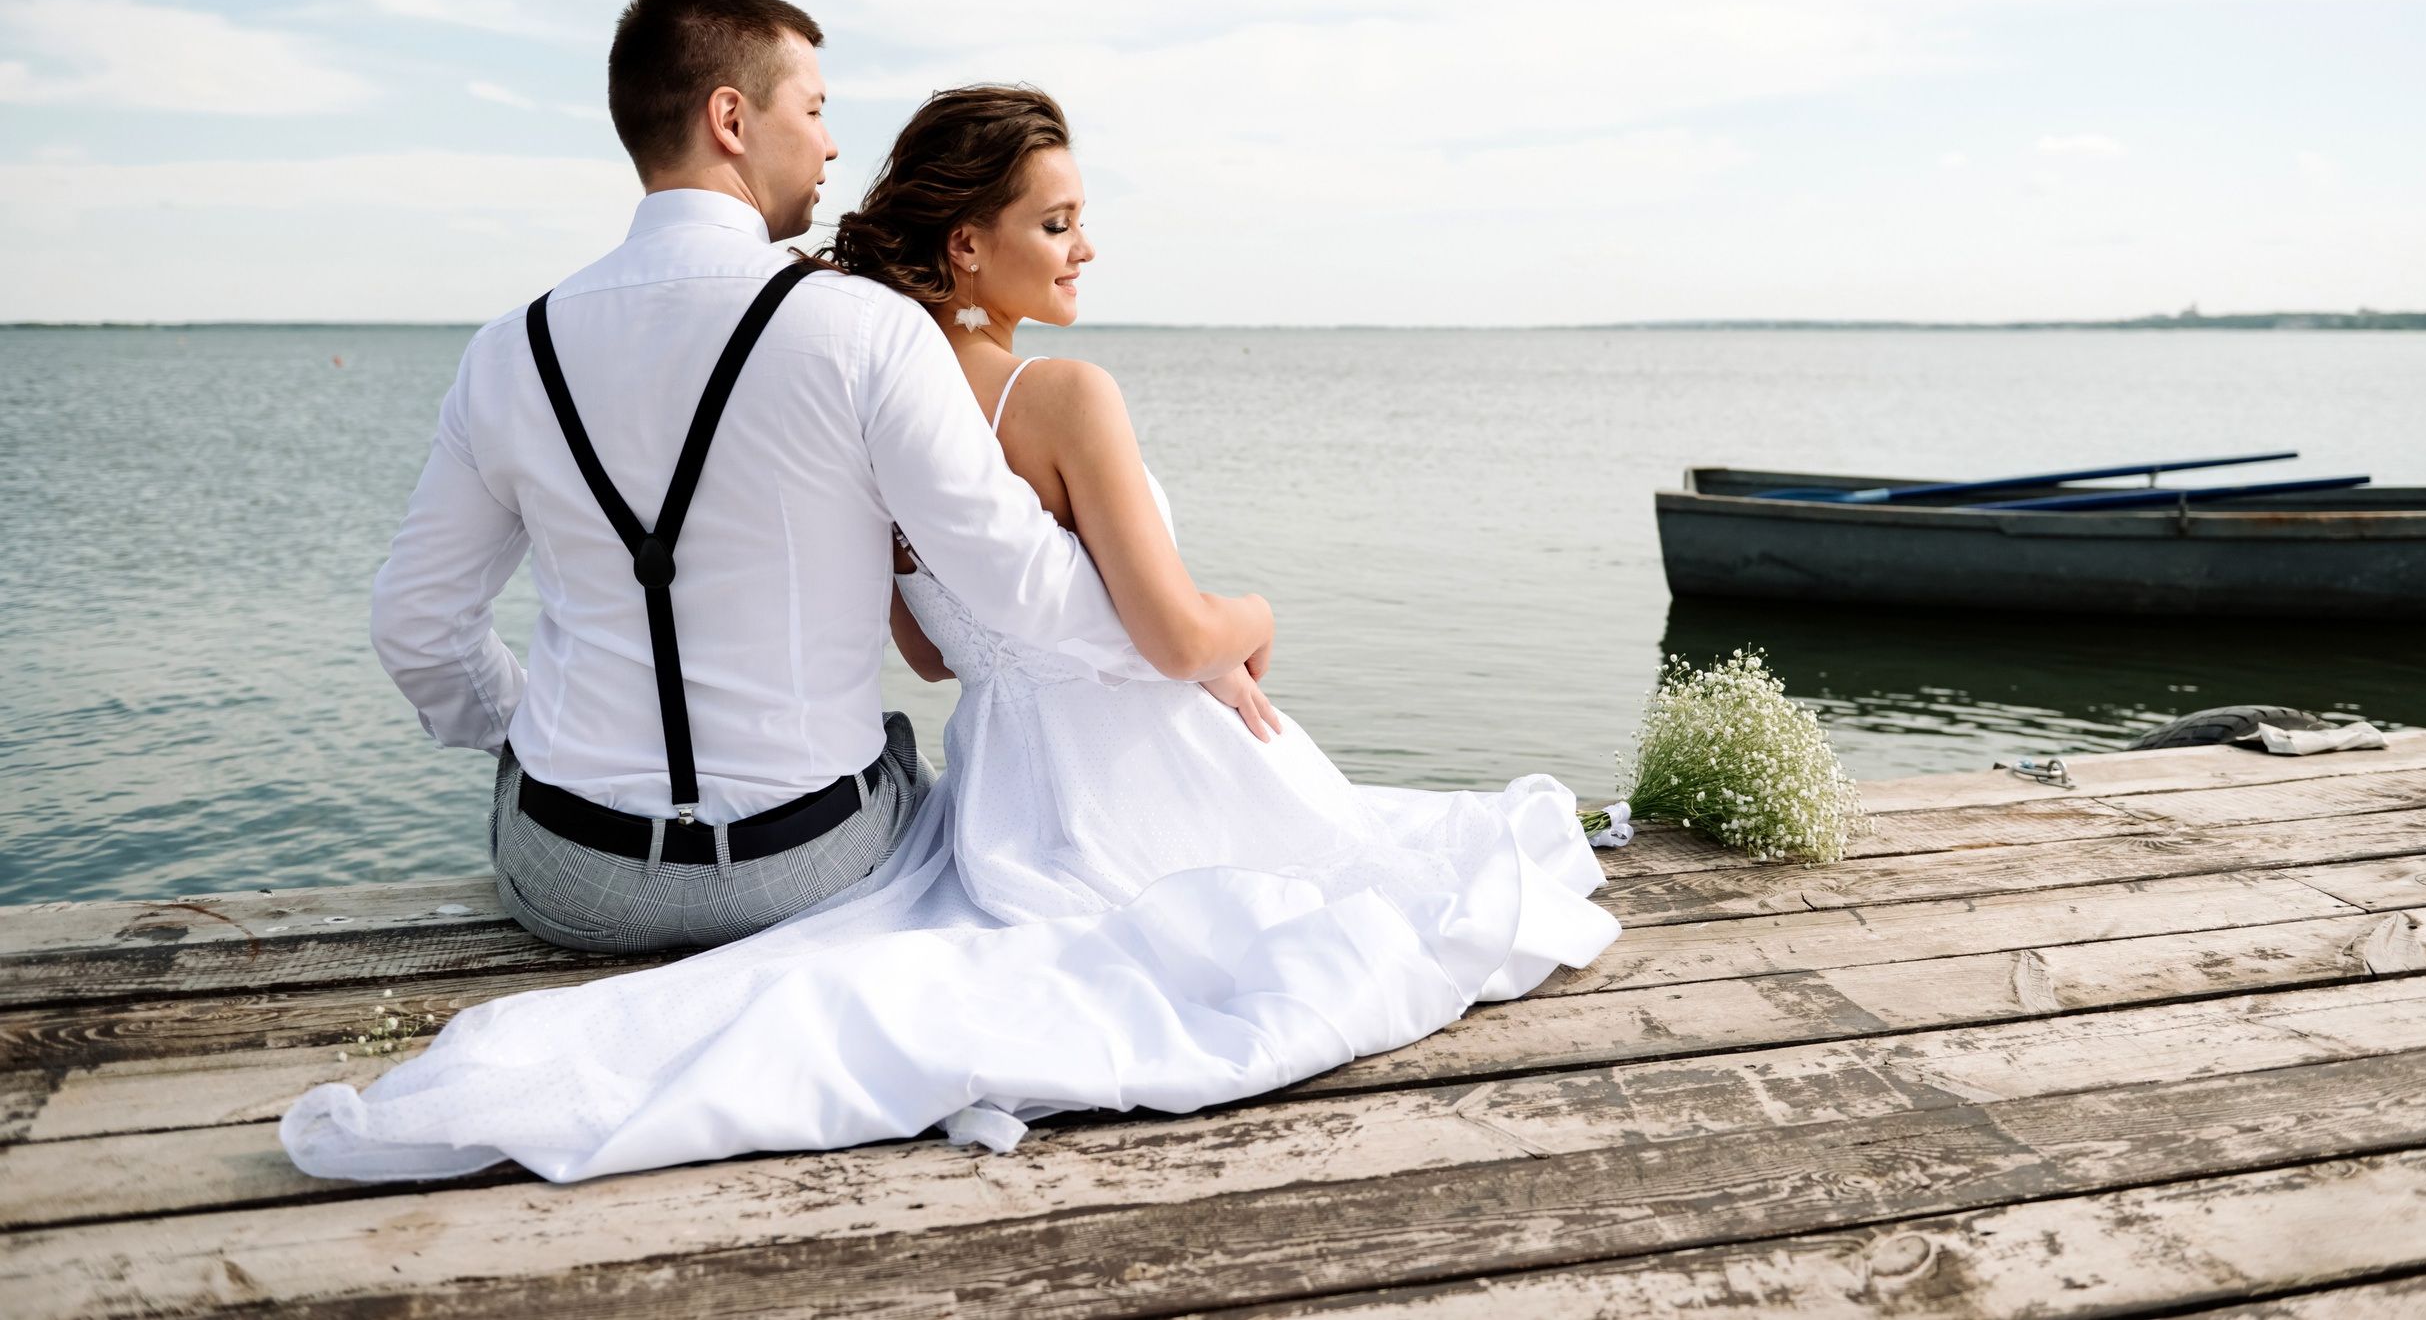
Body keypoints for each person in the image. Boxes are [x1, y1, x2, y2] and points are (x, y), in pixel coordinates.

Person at [286, 83, 1620, 1184]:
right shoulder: (1060, 394)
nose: (1085, 246)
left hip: (988, 786)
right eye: (1058, 220)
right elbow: (1160, 633)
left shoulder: (848, 384)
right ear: (968, 245)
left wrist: (536, 743)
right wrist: (1252, 620)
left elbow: (930, 651)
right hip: (1137, 760)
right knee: (1368, 907)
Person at [367, 0, 1271, 953]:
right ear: (730, 119)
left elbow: (416, 623)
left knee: (549, 767)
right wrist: (1190, 645)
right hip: (802, 870)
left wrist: (528, 735)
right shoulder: (864, 330)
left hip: (570, 877)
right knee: (900, 759)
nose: (832, 145)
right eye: (814, 111)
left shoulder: (508, 350)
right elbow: (1019, 582)